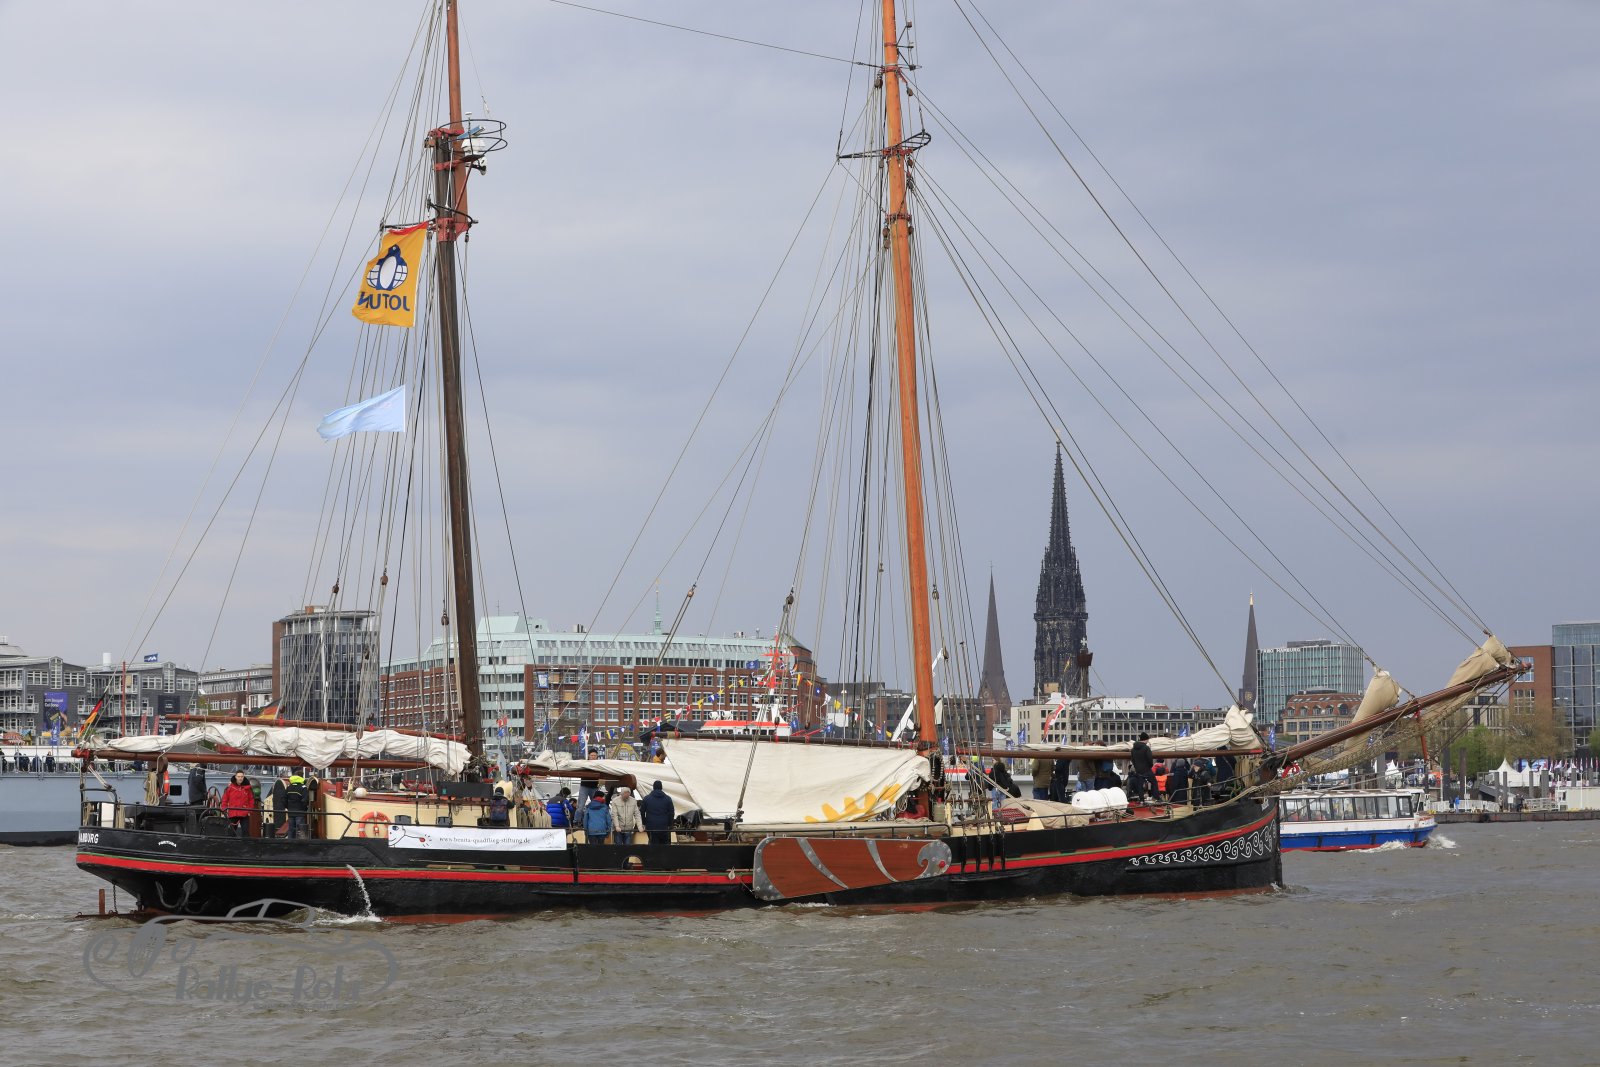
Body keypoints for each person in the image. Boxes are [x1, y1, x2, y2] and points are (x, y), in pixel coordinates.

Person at [640, 780, 675, 845]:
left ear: (653, 787)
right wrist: (670, 824)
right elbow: (671, 813)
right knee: (665, 846)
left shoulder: (646, 798)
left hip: (651, 826)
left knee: (653, 846)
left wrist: (644, 823)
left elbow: (642, 812)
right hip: (664, 826)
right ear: (661, 787)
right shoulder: (668, 799)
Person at [220, 771, 256, 838]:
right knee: (231, 832)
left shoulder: (248, 789)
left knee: (245, 832)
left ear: (243, 777)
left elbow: (251, 800)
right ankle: (231, 844)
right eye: (239, 776)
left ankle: (246, 844)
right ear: (236, 777)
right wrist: (224, 810)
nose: (240, 778)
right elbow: (224, 800)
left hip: (244, 813)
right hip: (233, 813)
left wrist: (250, 810)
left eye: (242, 776)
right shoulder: (230, 788)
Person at [1129, 733, 1157, 801]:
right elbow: (1150, 759)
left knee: (1140, 784)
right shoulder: (1146, 748)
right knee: (1154, 782)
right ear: (1146, 739)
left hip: (1138, 770)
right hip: (1147, 770)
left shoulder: (1133, 749)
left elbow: (1133, 760)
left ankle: (1141, 799)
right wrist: (1149, 766)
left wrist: (1137, 767)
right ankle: (1156, 797)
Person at [283, 774, 309, 839]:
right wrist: (304, 808)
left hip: (290, 812)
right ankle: (300, 843)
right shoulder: (303, 787)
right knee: (300, 829)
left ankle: (290, 842)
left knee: (291, 829)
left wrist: (288, 807)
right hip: (300, 812)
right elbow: (305, 800)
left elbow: (284, 799)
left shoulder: (289, 787)